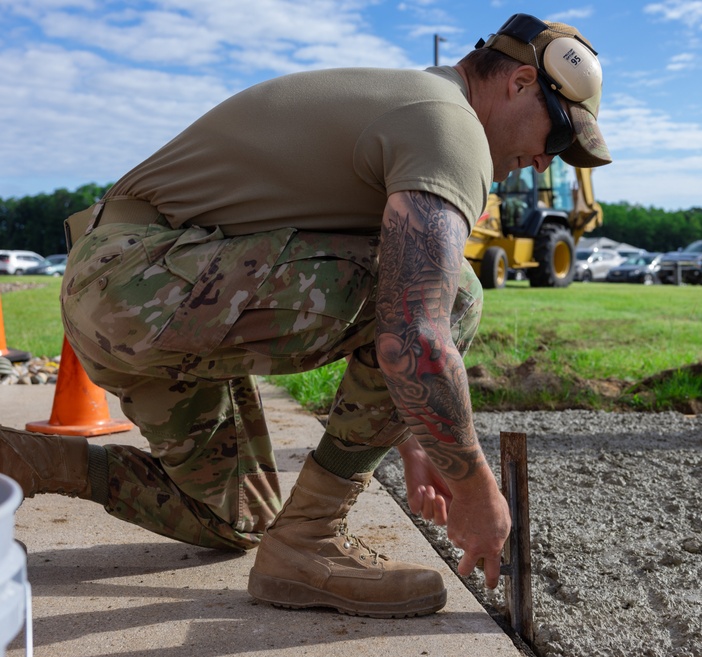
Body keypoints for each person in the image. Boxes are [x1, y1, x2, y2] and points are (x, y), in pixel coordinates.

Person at [0, 13, 610, 618]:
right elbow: (416, 334)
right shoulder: (450, 126)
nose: (544, 163)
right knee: (455, 297)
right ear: (521, 83)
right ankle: (311, 539)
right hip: (140, 280)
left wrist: (413, 435)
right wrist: (477, 489)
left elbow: (365, 286)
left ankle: (31, 462)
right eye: (556, 139)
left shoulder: (416, 107)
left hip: (126, 292)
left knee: (237, 518)